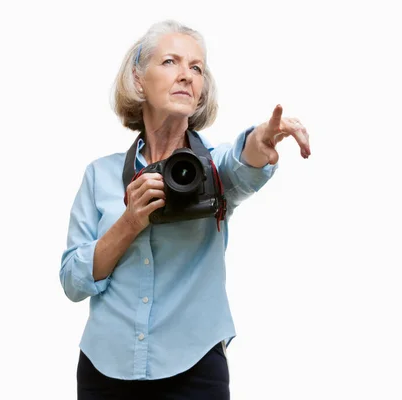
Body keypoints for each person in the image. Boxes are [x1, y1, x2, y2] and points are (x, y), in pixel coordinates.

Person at [59, 20, 310, 399]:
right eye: (171, 62)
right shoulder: (100, 175)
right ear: (138, 79)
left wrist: (261, 140)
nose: (186, 76)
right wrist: (130, 222)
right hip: (104, 368)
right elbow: (73, 282)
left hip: (194, 370)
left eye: (196, 68)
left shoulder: (213, 168)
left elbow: (244, 163)